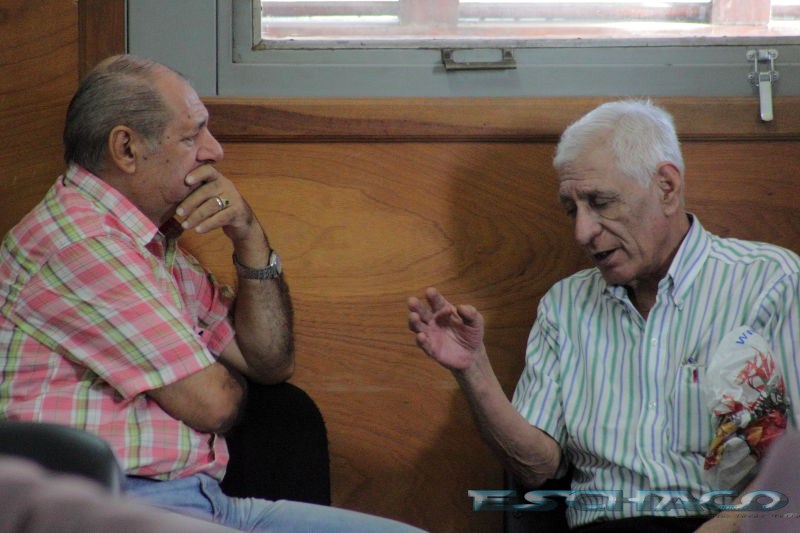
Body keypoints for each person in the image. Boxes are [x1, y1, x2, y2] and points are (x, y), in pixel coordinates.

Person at [0, 54, 423, 533]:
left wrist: (247, 233)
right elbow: (215, 404)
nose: (215, 151)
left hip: (204, 501)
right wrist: (219, 379)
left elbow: (269, 362)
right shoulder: (83, 243)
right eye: (192, 135)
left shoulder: (148, 243)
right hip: (116, 507)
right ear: (126, 148)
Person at [407, 100, 800, 532]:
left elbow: (795, 462)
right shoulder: (564, 306)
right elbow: (536, 468)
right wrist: (473, 370)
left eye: (601, 202)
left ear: (667, 187)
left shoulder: (771, 281)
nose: (582, 232)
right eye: (572, 209)